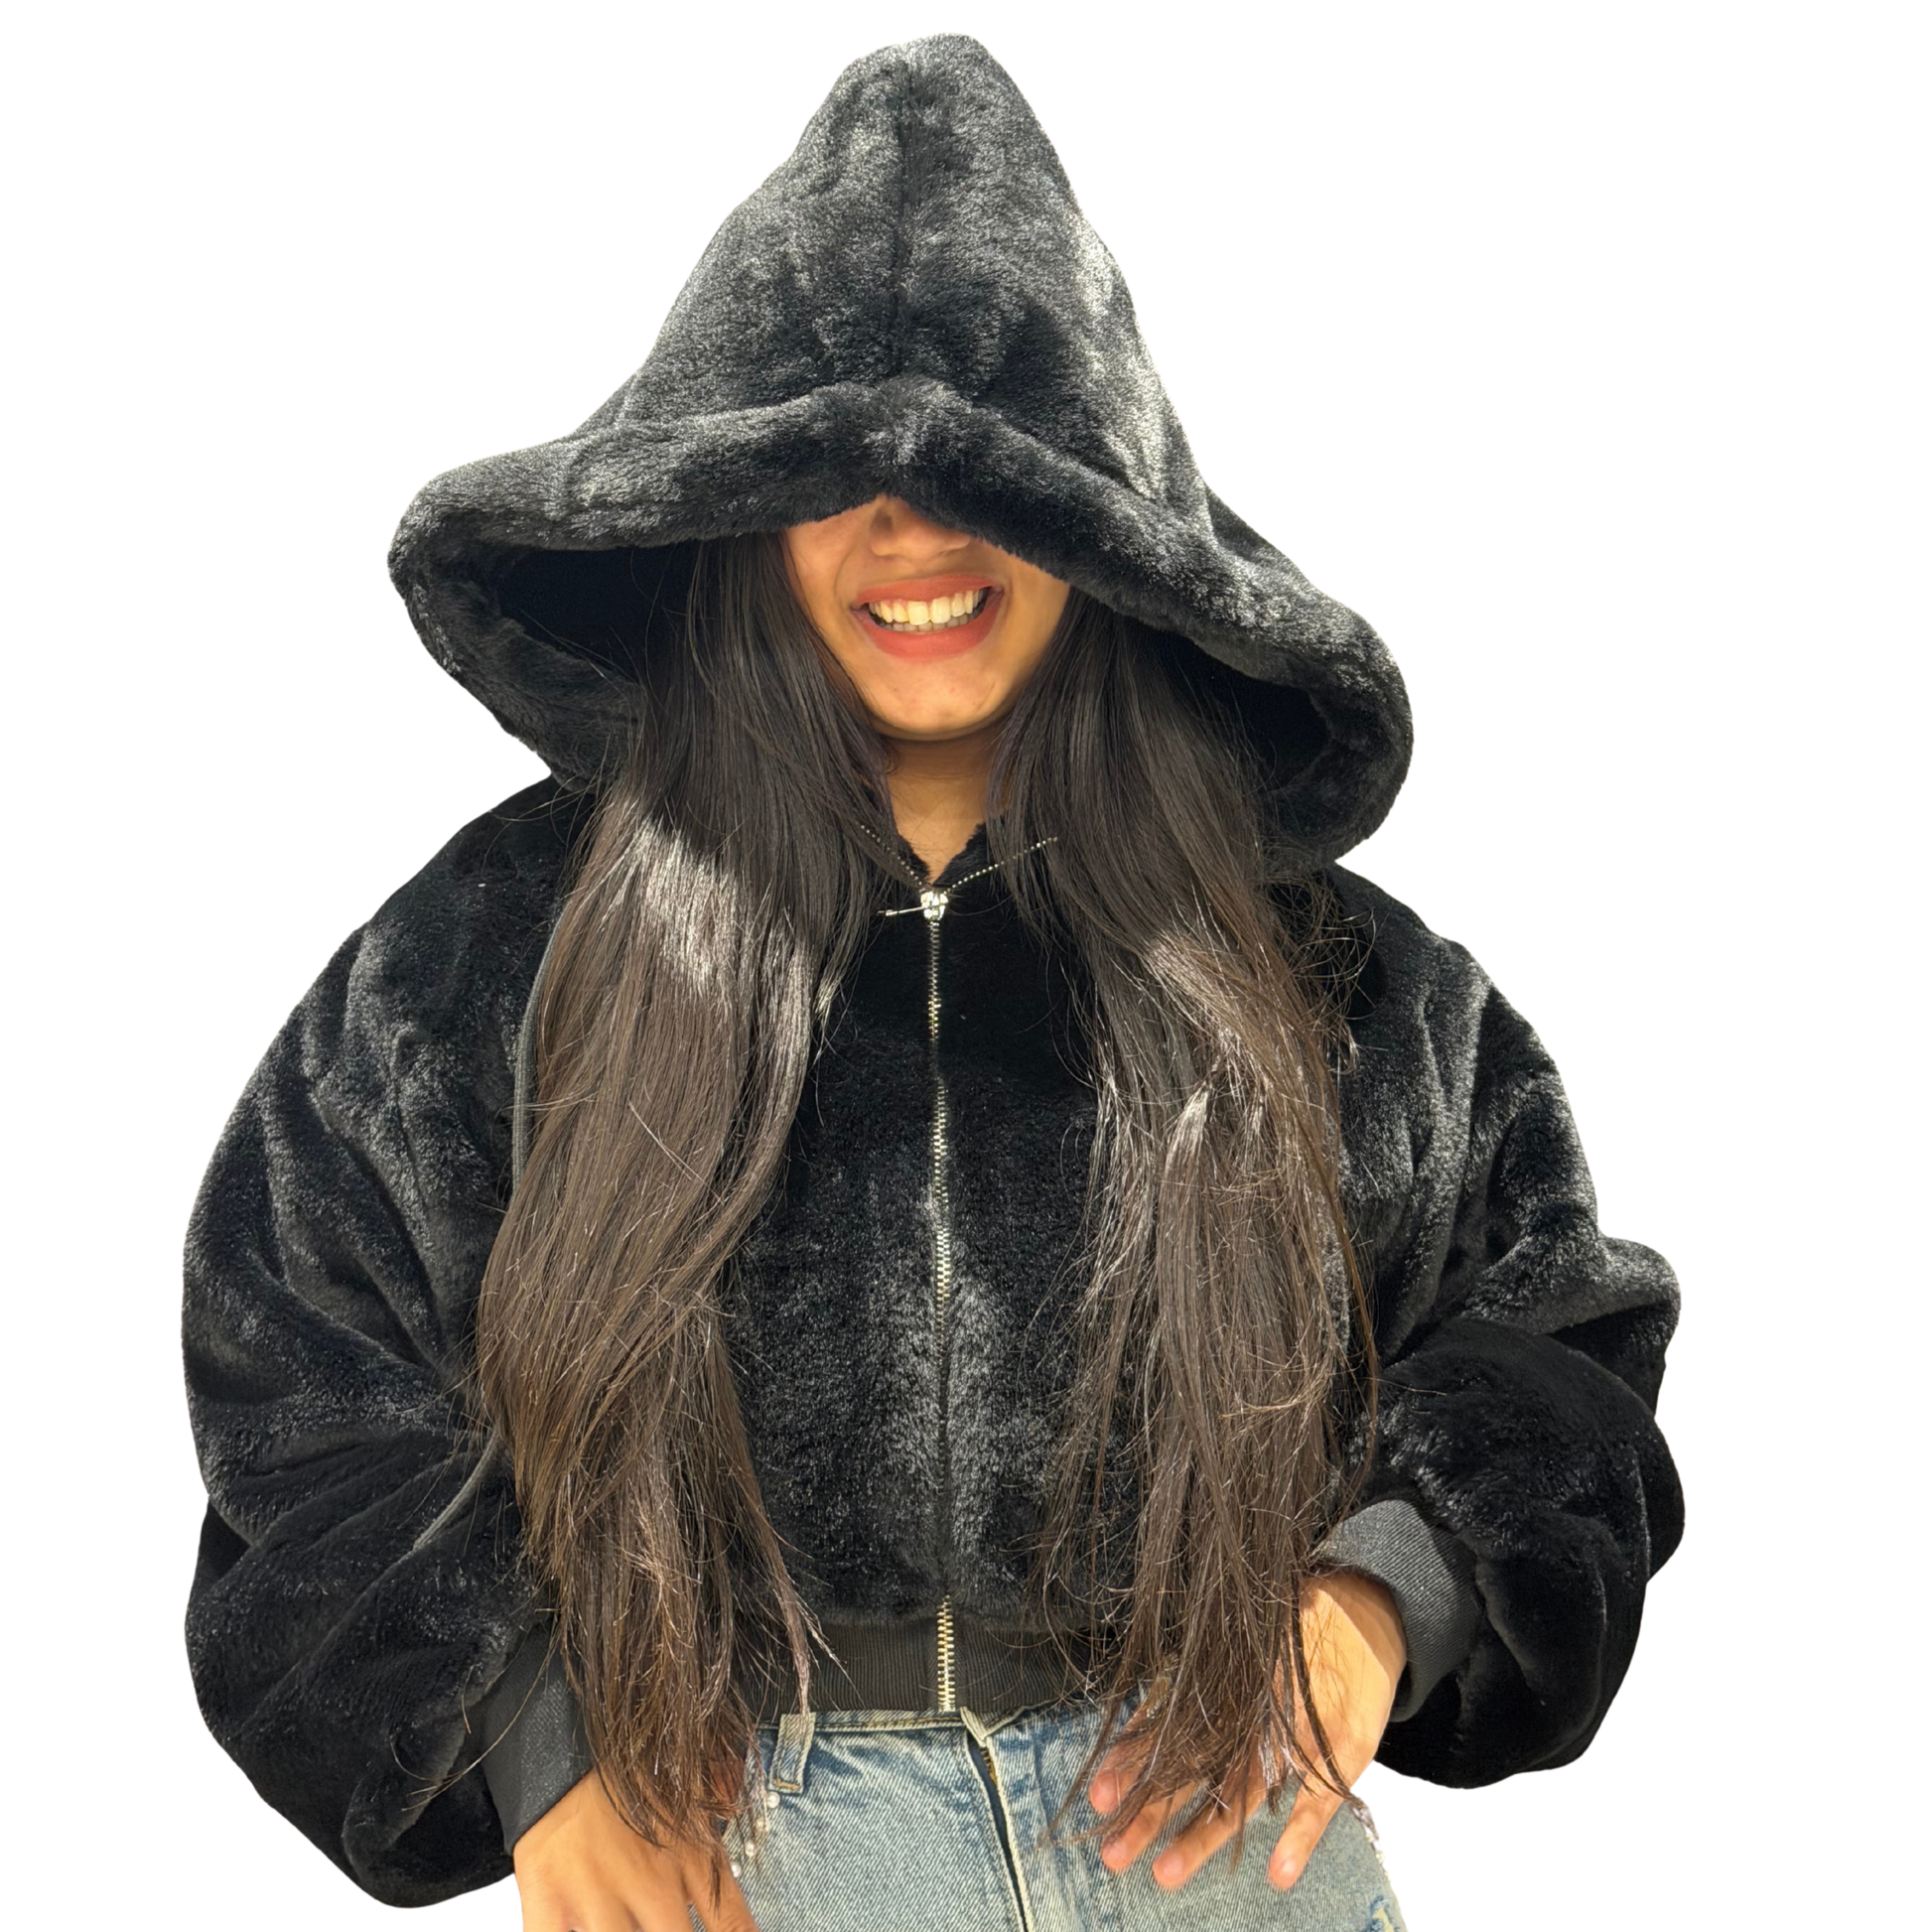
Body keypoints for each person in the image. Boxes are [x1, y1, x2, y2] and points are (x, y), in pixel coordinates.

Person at [182, 33, 1684, 1932]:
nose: (919, 541)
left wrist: (1383, 1588)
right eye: (840, 477)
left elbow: (1551, 1336)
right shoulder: (495, 947)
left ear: (1093, 520)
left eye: (989, 479)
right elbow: (301, 1365)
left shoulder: (1333, 975)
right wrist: (533, 1738)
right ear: (736, 510)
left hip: (1218, 1842)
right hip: (730, 1846)